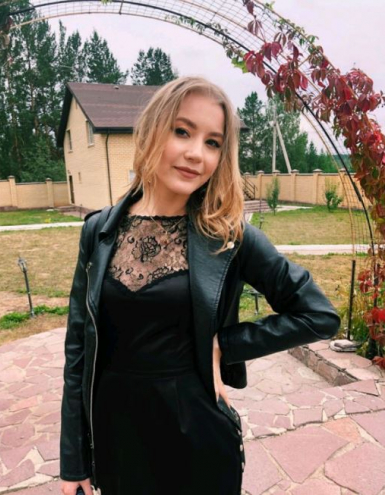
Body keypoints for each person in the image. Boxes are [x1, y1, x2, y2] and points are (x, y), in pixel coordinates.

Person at [59, 75, 340, 495]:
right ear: (153, 130)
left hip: (198, 440)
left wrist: (225, 344)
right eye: (182, 131)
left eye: (212, 142)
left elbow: (318, 315)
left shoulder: (230, 237)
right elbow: (78, 349)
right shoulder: (98, 231)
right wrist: (74, 460)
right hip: (117, 439)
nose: (196, 153)